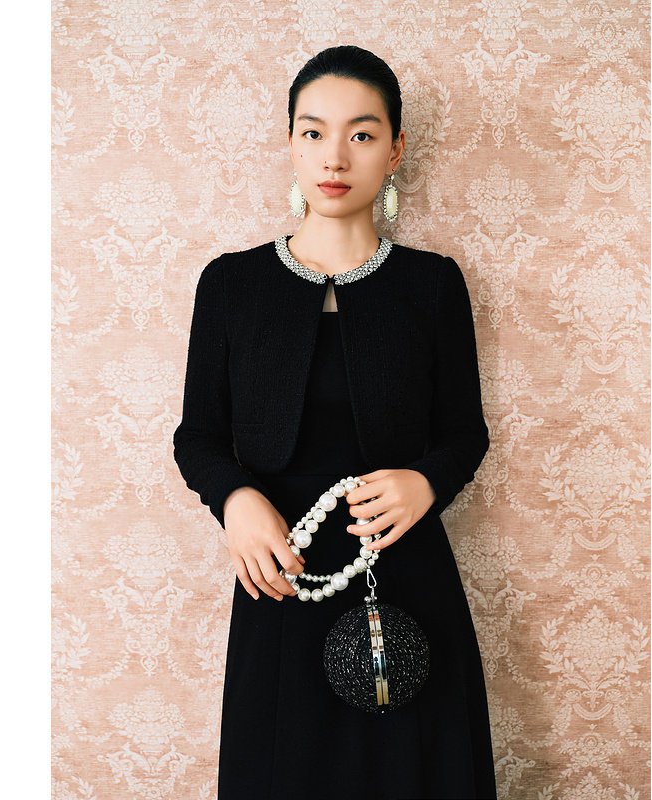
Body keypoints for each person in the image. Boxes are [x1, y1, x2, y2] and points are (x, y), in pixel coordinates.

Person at [173, 45, 498, 800]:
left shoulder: (433, 284)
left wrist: (426, 483)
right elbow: (198, 435)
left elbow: (465, 431)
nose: (335, 157)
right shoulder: (230, 284)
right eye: (314, 132)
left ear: (395, 149)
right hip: (281, 575)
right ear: (290, 142)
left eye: (362, 134)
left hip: (405, 566)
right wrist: (235, 501)